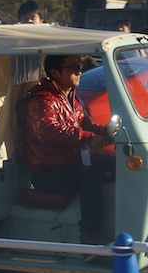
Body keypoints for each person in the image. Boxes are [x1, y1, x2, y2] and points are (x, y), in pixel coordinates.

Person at [23, 55, 111, 245]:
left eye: (78, 66)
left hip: (68, 164)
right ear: (55, 72)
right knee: (93, 175)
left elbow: (87, 124)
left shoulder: (71, 99)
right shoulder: (43, 101)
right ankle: (90, 236)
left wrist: (108, 131)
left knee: (114, 164)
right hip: (47, 173)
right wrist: (88, 138)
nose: (79, 71)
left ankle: (114, 223)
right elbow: (49, 132)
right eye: (72, 67)